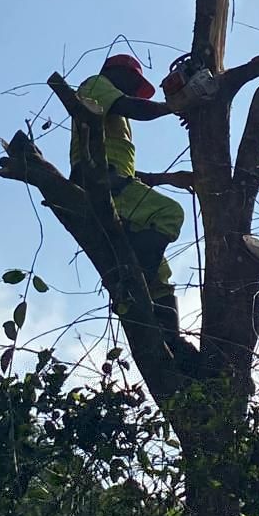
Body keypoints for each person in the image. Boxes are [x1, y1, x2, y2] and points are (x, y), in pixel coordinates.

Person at [69, 54, 185, 338]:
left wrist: (169, 179)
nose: (133, 91)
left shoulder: (118, 116)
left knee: (161, 275)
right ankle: (131, 282)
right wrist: (178, 104)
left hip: (116, 182)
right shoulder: (95, 85)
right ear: (115, 72)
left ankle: (173, 343)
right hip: (99, 181)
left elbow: (126, 171)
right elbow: (135, 108)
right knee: (170, 214)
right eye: (132, 83)